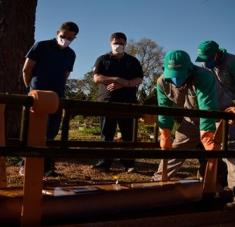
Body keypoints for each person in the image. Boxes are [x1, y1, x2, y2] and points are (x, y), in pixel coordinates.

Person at [21, 21, 79, 177]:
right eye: (63, 36)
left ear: (74, 38)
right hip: (38, 94)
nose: (65, 39)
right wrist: (30, 89)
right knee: (34, 130)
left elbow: (65, 76)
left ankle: (46, 167)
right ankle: (25, 164)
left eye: (70, 38)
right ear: (57, 33)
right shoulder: (41, 46)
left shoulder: (70, 54)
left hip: (57, 96)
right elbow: (27, 69)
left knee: (52, 130)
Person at [152, 50, 219, 182]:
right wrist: (164, 133)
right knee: (176, 149)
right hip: (191, 118)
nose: (176, 80)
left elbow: (207, 108)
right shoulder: (162, 82)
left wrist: (207, 137)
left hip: (214, 117)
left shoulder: (204, 76)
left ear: (189, 69)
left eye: (180, 75)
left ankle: (224, 186)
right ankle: (159, 180)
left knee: (222, 153)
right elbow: (165, 109)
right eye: (172, 76)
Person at [92, 32, 143, 172]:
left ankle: (128, 163)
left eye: (121, 43)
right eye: (115, 43)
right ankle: (104, 162)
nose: (118, 45)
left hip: (128, 102)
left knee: (128, 134)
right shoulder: (102, 59)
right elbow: (96, 78)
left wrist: (125, 84)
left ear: (125, 44)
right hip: (107, 101)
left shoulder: (133, 61)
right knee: (106, 133)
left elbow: (139, 79)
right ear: (110, 43)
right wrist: (116, 79)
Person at [196, 40, 235, 192]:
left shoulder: (232, 62)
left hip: (232, 110)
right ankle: (216, 185)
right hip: (218, 111)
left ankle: (232, 191)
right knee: (215, 148)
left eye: (208, 58)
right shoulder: (205, 67)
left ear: (217, 54)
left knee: (231, 149)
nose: (205, 62)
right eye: (203, 59)